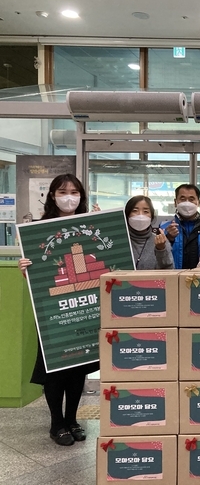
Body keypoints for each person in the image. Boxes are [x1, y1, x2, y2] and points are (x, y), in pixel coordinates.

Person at [17, 174, 99, 446]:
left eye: (74, 192)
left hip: (83, 311)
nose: (69, 197)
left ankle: (72, 419)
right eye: (63, 192)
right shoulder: (38, 230)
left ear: (81, 196)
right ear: (52, 195)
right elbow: (37, 275)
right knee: (54, 369)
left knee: (78, 368)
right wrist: (25, 269)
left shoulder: (89, 227)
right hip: (53, 312)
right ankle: (56, 424)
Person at [161, 184, 200, 269]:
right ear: (175, 202)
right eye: (182, 199)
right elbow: (159, 258)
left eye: (191, 199)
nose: (187, 203)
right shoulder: (164, 228)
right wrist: (169, 238)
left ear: (199, 202)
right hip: (173, 276)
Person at [125, 195, 174, 270]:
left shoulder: (160, 241)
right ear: (127, 215)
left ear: (151, 216)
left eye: (146, 211)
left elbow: (169, 270)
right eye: (135, 210)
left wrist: (161, 249)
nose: (140, 215)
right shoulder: (119, 241)